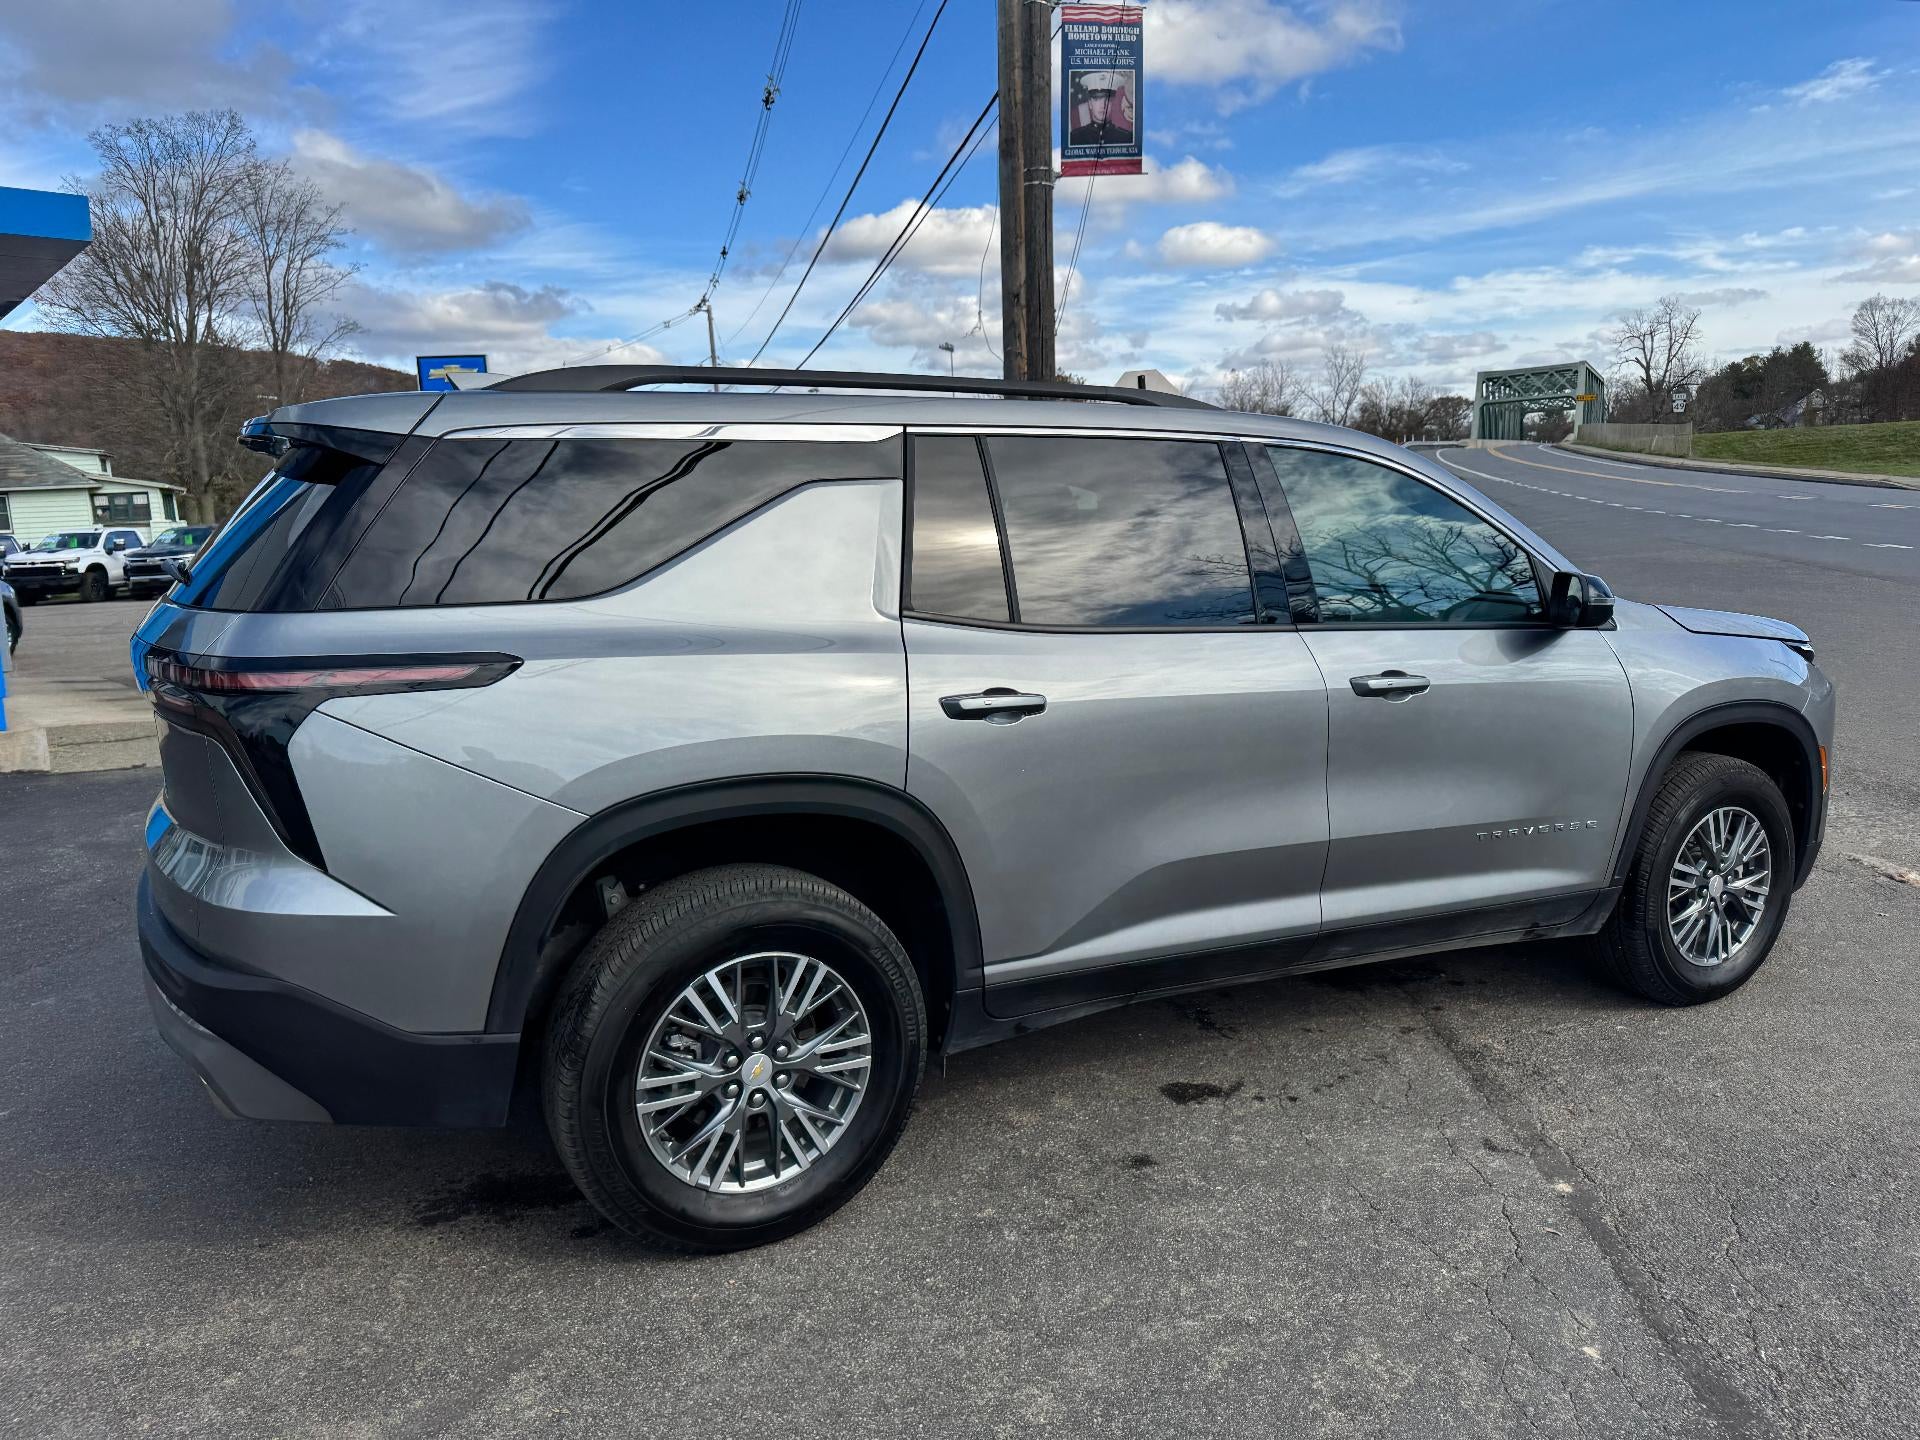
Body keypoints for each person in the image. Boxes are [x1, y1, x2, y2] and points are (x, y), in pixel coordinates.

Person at [1068, 70, 1134, 149]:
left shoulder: (1126, 138)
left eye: (1108, 100)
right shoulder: (1074, 138)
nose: (1103, 105)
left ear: (1112, 103)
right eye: (1097, 99)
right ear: (1090, 104)